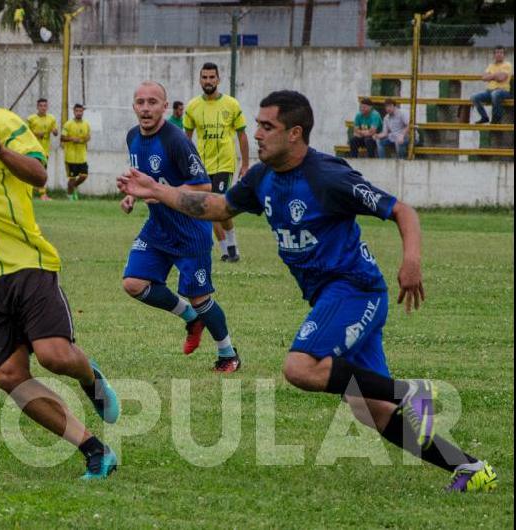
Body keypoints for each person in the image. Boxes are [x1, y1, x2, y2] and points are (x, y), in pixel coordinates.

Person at [118, 90, 498, 493]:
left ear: (295, 133)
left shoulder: (328, 177)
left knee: (300, 368)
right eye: (259, 125)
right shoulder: (263, 176)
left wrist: (412, 261)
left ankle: (412, 391)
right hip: (330, 296)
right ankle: (469, 467)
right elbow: (218, 207)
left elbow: (402, 210)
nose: (258, 135)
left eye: (268, 127)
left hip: (355, 290)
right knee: (369, 407)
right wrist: (157, 190)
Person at [0, 44, 119, 480]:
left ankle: (89, 379)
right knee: (9, 376)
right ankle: (93, 449)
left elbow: (38, 174)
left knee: (54, 356)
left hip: (26, 265)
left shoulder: (8, 125)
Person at [121, 81, 241, 372]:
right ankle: (190, 318)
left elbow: (203, 185)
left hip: (189, 230)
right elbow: (146, 178)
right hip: (158, 226)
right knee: (133, 284)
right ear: (134, 106)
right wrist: (131, 194)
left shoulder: (175, 140)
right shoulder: (132, 137)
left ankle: (228, 354)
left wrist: (154, 193)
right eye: (140, 102)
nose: (146, 108)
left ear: (165, 107)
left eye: (153, 102)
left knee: (199, 295)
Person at [184, 63, 249, 263]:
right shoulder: (193, 107)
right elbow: (186, 140)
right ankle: (226, 250)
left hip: (224, 164)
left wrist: (245, 165)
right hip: (202, 166)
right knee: (210, 208)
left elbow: (242, 135)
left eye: (212, 77)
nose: (208, 81)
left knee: (218, 205)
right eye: (205, 77)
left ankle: (230, 246)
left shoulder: (231, 104)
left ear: (219, 80)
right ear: (200, 80)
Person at [471, 45, 513, 124]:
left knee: (495, 94)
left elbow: (501, 78)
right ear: (494, 55)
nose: (499, 54)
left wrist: (490, 76)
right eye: (497, 52)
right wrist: (496, 75)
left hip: (503, 91)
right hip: (489, 91)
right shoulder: (491, 65)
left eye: (501, 53)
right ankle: (484, 117)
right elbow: (483, 78)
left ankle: (496, 118)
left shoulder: (507, 65)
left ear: (504, 55)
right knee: (474, 97)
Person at [27, 98, 58, 201]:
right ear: (37, 107)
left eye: (45, 106)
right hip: (32, 150)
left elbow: (56, 132)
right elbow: (26, 133)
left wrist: (54, 131)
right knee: (31, 171)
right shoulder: (31, 119)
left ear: (47, 107)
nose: (43, 108)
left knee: (42, 172)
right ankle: (35, 193)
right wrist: (36, 134)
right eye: (41, 106)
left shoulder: (51, 119)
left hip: (44, 151)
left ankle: (42, 194)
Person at [61, 104, 91, 201]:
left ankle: (73, 188)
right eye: (77, 111)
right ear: (73, 112)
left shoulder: (86, 124)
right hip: (71, 157)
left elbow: (88, 137)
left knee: (84, 176)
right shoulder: (68, 124)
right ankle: (70, 197)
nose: (79, 113)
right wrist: (71, 138)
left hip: (82, 156)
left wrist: (83, 140)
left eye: (80, 111)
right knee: (72, 178)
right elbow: (62, 138)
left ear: (83, 112)